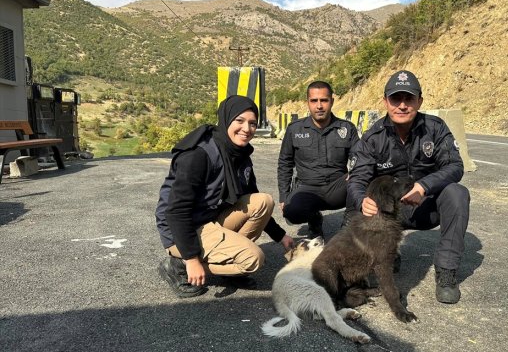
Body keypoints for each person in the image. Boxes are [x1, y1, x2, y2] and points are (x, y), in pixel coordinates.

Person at [346, 70, 470, 304]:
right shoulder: (373, 137)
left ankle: (446, 272)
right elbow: (357, 178)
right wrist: (363, 198)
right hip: (388, 214)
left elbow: (455, 166)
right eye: (396, 99)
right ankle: (378, 259)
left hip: (425, 207)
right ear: (385, 102)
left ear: (419, 101)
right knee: (354, 200)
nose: (402, 105)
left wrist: (424, 186)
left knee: (457, 193)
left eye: (409, 99)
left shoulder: (435, 128)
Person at [155, 95, 295, 298]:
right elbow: (176, 211)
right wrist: (192, 259)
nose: (247, 129)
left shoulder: (239, 154)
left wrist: (280, 236)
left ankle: (226, 260)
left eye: (253, 123)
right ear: (226, 119)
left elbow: (252, 196)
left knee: (264, 201)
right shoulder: (199, 155)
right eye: (239, 121)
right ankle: (178, 265)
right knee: (253, 259)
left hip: (209, 219)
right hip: (182, 229)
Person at [277, 81, 359, 239]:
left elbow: (360, 157)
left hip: (337, 187)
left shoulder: (347, 128)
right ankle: (313, 219)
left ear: (332, 101)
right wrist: (283, 195)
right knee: (291, 212)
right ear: (307, 102)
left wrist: (356, 173)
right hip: (307, 187)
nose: (319, 106)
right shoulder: (295, 129)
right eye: (314, 101)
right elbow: (285, 163)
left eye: (324, 100)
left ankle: (348, 227)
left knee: (364, 183)